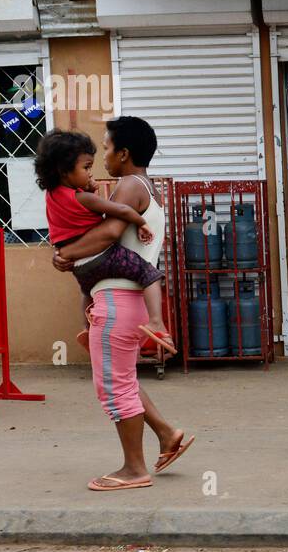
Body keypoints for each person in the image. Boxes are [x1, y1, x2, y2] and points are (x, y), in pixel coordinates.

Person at [52, 117, 194, 490]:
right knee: (123, 381)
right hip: (126, 300)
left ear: (125, 153)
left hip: (117, 298)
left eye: (109, 148)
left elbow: (110, 232)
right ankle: (166, 434)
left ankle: (134, 469)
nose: (104, 158)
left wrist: (65, 254)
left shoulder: (130, 184)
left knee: (112, 387)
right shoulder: (144, 186)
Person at [33, 130, 175, 354]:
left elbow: (72, 227)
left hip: (80, 266)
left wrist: (64, 254)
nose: (92, 171)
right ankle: (157, 321)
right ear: (64, 171)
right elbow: (115, 221)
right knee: (150, 273)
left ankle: (85, 327)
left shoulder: (52, 195)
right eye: (87, 167)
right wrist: (140, 222)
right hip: (106, 265)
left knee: (86, 289)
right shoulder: (85, 196)